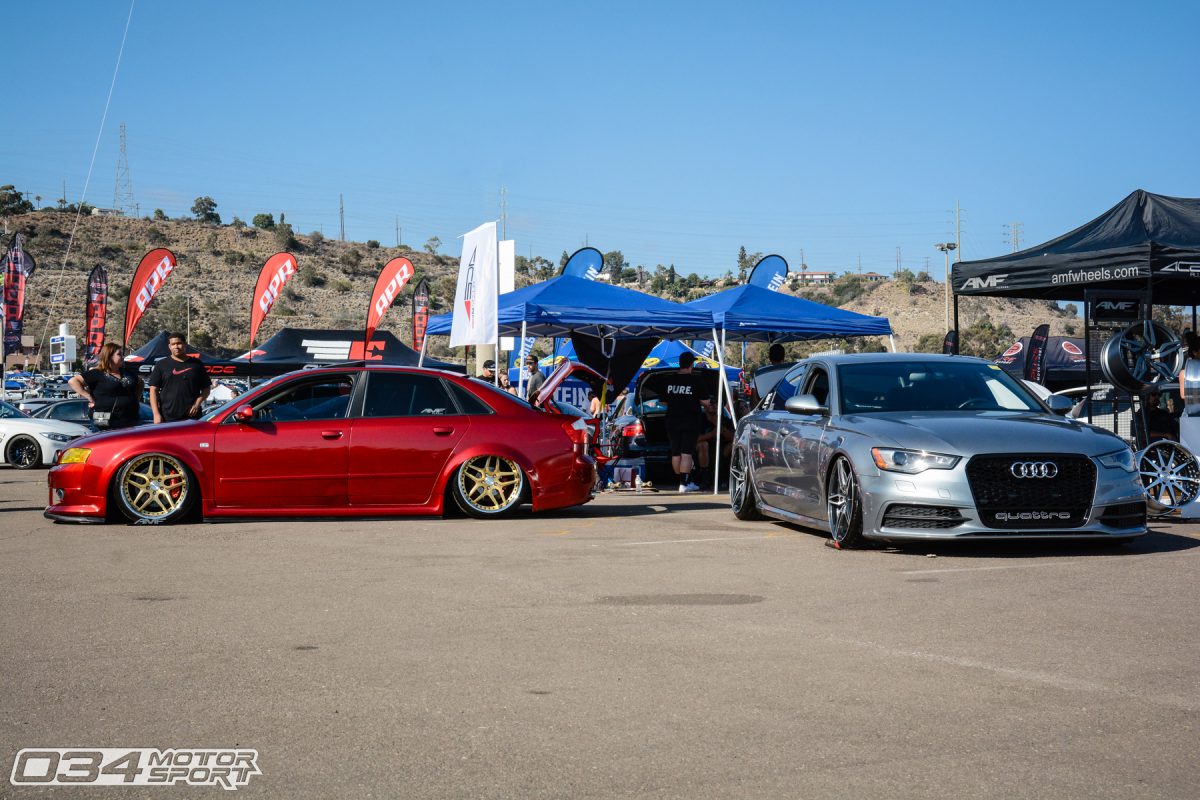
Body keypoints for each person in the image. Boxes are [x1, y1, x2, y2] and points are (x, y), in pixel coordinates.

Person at [662, 352, 710, 493]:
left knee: (676, 453)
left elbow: (664, 401)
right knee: (686, 453)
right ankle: (684, 483)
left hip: (672, 420)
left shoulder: (669, 380)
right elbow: (706, 402)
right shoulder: (697, 381)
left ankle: (683, 481)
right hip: (690, 420)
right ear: (691, 364)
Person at [68, 342, 142, 429]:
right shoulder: (97, 373)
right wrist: (89, 397)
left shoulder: (128, 373)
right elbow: (73, 381)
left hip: (128, 418)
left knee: (126, 442)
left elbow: (140, 383)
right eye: (119, 354)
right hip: (102, 417)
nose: (123, 357)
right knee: (104, 440)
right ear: (109, 356)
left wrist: (135, 399)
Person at [148, 332, 212, 423]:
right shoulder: (161, 364)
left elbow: (207, 388)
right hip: (167, 417)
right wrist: (156, 414)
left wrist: (197, 403)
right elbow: (153, 390)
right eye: (173, 344)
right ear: (169, 346)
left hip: (192, 417)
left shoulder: (197, 364)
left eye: (179, 343)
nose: (176, 347)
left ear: (185, 344)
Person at [695, 395, 735, 489]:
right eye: (711, 403)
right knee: (703, 445)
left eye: (717, 402)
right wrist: (711, 434)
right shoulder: (700, 419)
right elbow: (693, 439)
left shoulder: (725, 419)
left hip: (722, 450)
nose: (714, 405)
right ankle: (705, 479)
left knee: (734, 445)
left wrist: (719, 425)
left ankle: (729, 478)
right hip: (703, 451)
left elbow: (734, 437)